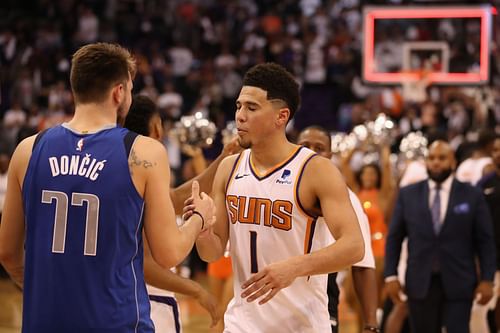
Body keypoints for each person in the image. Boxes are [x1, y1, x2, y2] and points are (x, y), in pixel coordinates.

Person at [0, 42, 215, 332]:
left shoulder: (27, 150)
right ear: (119, 92)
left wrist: (50, 296)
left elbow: (8, 254)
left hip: (45, 321)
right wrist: (199, 217)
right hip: (117, 321)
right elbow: (168, 253)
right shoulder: (144, 153)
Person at [189, 62, 364, 332]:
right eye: (238, 106)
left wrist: (294, 267)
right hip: (242, 323)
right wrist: (201, 229)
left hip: (301, 324)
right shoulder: (229, 167)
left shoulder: (315, 170)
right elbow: (212, 254)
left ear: (281, 117)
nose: (240, 116)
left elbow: (354, 246)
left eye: (252, 107)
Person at [124, 94, 232, 332]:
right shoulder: (146, 163)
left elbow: (174, 198)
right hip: (145, 301)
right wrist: (197, 291)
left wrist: (224, 158)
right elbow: (150, 263)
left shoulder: (117, 165)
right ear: (155, 128)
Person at [384, 140, 496, 333]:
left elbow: (485, 241)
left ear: (452, 162)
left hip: (459, 281)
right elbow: (394, 237)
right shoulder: (408, 194)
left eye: (442, 158)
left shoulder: (472, 194)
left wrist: (487, 279)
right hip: (419, 282)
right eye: (432, 158)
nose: (436, 163)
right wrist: (391, 275)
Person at [296, 126, 379, 333]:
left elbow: (363, 263)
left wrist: (370, 324)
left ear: (330, 155)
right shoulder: (274, 185)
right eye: (305, 146)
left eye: (319, 148)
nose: (311, 152)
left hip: (320, 298)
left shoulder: (346, 197)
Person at [478, 134, 500, 331]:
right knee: (485, 310)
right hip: (490, 259)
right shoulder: (483, 184)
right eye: (495, 150)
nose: (498, 154)